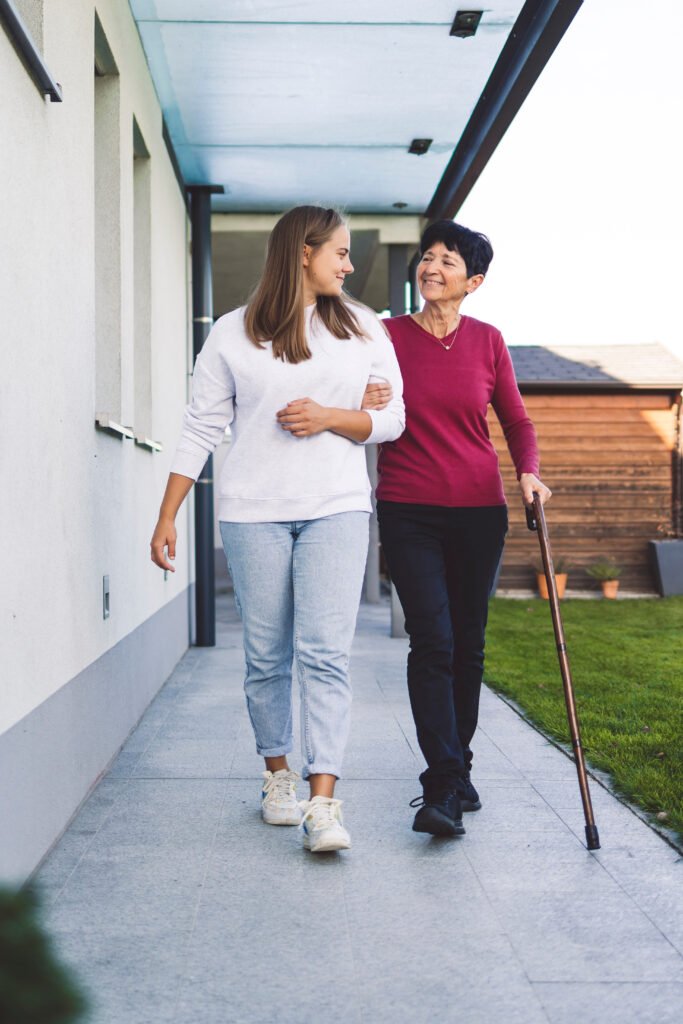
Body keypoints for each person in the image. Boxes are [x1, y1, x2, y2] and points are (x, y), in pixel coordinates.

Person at [150, 206, 404, 853]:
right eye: (339, 253)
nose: (348, 265)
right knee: (267, 658)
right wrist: (167, 513)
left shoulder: (364, 328)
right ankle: (278, 778)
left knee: (324, 654)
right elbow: (201, 425)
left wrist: (331, 416)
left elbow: (392, 418)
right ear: (301, 252)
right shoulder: (233, 334)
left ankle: (324, 804)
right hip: (251, 511)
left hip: (337, 506)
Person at [374, 220, 551, 838]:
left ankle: (459, 765)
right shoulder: (385, 334)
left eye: (448, 261)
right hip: (408, 508)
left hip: (479, 510)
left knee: (469, 644)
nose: (432, 267)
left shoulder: (488, 341)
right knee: (434, 641)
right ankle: (444, 782)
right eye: (428, 257)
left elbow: (517, 422)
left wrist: (528, 472)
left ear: (472, 282)